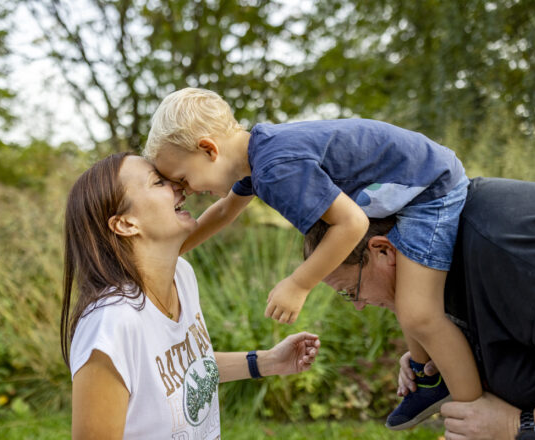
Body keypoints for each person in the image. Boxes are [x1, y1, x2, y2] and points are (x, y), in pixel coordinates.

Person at [143, 87, 480, 428]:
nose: (188, 191)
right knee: (408, 305)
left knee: (420, 314)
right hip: (413, 187)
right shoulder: (258, 155)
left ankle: (475, 416)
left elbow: (351, 224)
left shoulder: (275, 168)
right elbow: (224, 212)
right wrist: (170, 251)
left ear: (208, 149)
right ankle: (429, 380)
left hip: (430, 188)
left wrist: (299, 283)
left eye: (185, 179)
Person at [60, 152, 321, 440]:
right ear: (126, 224)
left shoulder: (181, 276)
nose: (178, 186)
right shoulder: (110, 324)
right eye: (158, 182)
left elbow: (185, 370)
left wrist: (268, 361)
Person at [304, 177, 535, 439]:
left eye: (352, 291)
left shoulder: (509, 254)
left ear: (383, 250)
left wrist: (519, 425)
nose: (359, 306)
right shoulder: (445, 256)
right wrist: (453, 351)